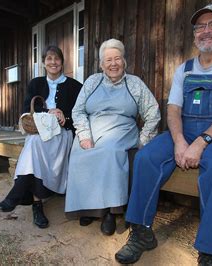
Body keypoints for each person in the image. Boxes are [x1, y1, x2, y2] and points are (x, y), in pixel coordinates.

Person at [115, 4, 212, 265]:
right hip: (184, 129)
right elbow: (173, 109)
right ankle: (141, 232)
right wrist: (180, 141)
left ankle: (210, 251)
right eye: (200, 26)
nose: (206, 31)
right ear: (194, 35)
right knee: (146, 158)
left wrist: (201, 142)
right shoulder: (185, 69)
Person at [65, 39, 160, 236]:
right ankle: (86, 207)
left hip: (121, 129)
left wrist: (144, 139)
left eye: (117, 58)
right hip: (91, 129)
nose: (113, 64)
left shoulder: (134, 84)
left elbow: (153, 112)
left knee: (109, 152)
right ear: (101, 64)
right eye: (108, 60)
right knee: (79, 153)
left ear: (124, 61)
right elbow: (78, 111)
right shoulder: (92, 81)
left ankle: (109, 211)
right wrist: (83, 135)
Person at [0, 46, 82, 229]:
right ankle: (37, 205)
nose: (53, 62)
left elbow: (80, 113)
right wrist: (48, 111)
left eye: (57, 59)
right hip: (39, 131)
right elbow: (27, 109)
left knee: (34, 146)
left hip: (62, 133)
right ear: (43, 63)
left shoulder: (75, 86)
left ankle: (17, 193)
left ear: (62, 62)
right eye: (49, 59)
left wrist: (63, 116)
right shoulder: (35, 83)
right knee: (35, 142)